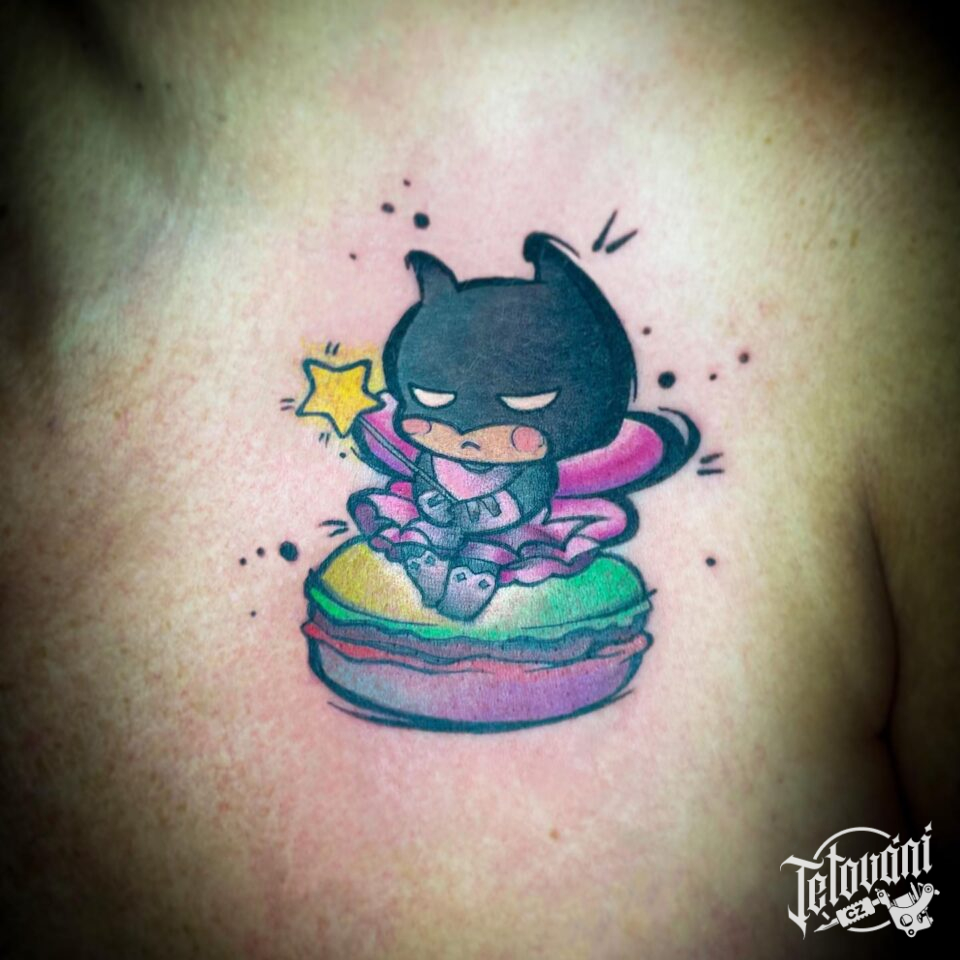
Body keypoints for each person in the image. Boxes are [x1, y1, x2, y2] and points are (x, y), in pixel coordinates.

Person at [1, 2, 957, 957]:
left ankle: (463, 584)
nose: (462, 431)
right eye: (433, 405)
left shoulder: (878, 214)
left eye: (512, 406)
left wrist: (491, 502)